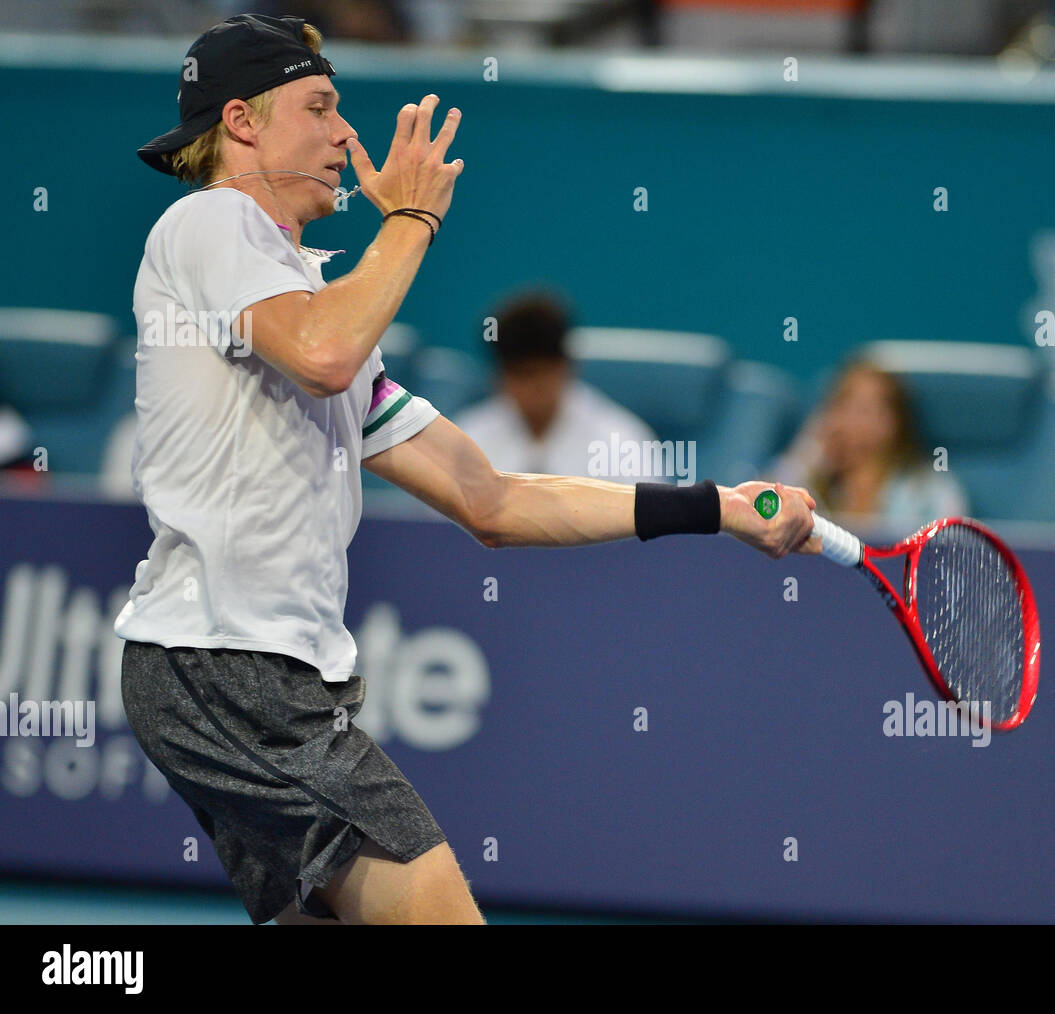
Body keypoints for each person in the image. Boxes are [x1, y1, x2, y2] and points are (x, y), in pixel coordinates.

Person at [115, 14, 818, 927]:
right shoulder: (212, 220)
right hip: (227, 667)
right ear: (242, 123)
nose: (345, 136)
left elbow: (491, 500)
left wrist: (717, 506)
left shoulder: (306, 308)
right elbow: (325, 350)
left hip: (236, 674)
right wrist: (409, 219)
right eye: (320, 108)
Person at [454, 292, 660, 480]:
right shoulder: (470, 437)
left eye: (535, 374)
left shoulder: (622, 444)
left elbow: (651, 519)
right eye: (515, 375)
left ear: (564, 367)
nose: (526, 389)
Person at [771, 357, 966, 534]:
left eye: (865, 409)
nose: (849, 419)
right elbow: (765, 514)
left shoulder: (931, 492)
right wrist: (809, 448)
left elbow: (950, 556)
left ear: (895, 421)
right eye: (841, 404)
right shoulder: (808, 483)